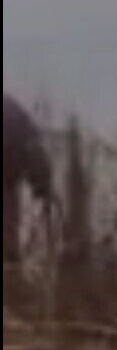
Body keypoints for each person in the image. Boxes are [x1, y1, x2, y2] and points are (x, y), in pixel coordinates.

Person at [3, 94, 53, 264]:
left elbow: (31, 146)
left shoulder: (10, 110)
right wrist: (41, 181)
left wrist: (41, 180)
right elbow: (31, 145)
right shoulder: (11, 109)